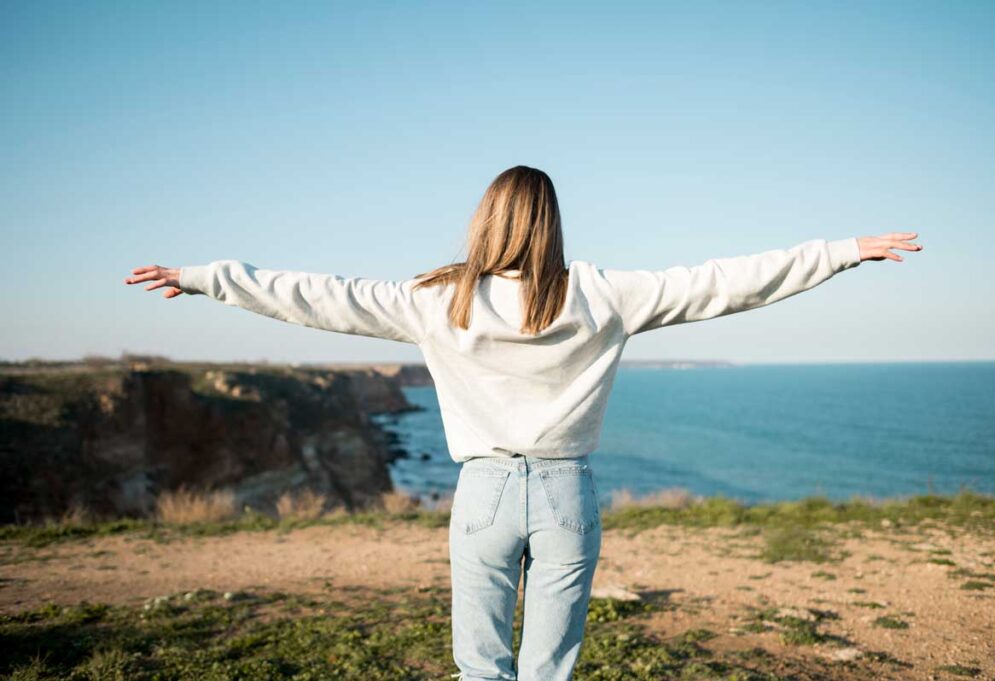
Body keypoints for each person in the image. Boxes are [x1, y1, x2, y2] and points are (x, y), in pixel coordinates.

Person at [124, 165, 922, 680]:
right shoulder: (602, 293)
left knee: (482, 664)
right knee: (549, 667)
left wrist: (204, 278)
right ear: (551, 223)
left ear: (485, 222)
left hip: (484, 493)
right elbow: (726, 283)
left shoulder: (438, 299)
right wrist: (842, 250)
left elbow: (317, 295)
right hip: (567, 492)